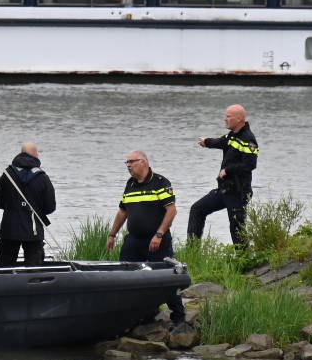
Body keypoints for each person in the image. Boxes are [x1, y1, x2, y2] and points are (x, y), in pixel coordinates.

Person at [106, 149, 187, 324]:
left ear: (143, 162)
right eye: (126, 163)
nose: (128, 166)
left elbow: (171, 211)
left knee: (165, 276)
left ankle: (178, 316)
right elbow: (123, 211)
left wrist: (159, 234)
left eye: (131, 162)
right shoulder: (130, 184)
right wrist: (112, 234)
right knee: (125, 274)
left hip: (157, 239)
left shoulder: (160, 182)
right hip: (134, 239)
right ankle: (142, 313)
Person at [187, 104, 259, 245]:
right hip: (225, 190)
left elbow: (250, 165)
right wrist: (206, 142)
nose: (225, 119)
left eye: (228, 116)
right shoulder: (232, 135)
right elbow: (221, 142)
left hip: (238, 192)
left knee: (237, 228)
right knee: (197, 209)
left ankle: (243, 261)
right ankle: (192, 251)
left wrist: (228, 170)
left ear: (239, 119)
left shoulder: (248, 139)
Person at [0, 142, 56, 265]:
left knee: (3, 267)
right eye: (37, 152)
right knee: (34, 270)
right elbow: (50, 207)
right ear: (34, 155)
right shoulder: (42, 178)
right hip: (33, 231)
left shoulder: (8, 175)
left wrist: (12, 208)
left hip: (9, 229)